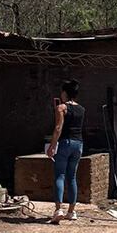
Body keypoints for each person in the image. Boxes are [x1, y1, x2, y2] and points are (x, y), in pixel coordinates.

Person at [46, 79, 85, 224]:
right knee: (72, 177)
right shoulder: (82, 109)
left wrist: (51, 146)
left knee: (60, 175)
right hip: (79, 144)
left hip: (65, 143)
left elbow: (58, 128)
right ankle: (71, 211)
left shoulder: (61, 108)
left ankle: (58, 210)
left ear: (65, 93)